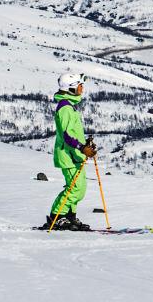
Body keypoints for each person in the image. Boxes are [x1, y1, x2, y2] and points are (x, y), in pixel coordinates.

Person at [41, 72, 97, 231]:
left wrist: (86, 144)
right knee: (74, 189)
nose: (82, 88)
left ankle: (69, 217)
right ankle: (57, 217)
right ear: (71, 89)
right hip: (68, 155)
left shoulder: (69, 106)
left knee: (78, 189)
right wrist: (81, 147)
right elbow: (66, 134)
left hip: (75, 155)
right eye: (79, 85)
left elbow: (74, 133)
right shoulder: (65, 108)